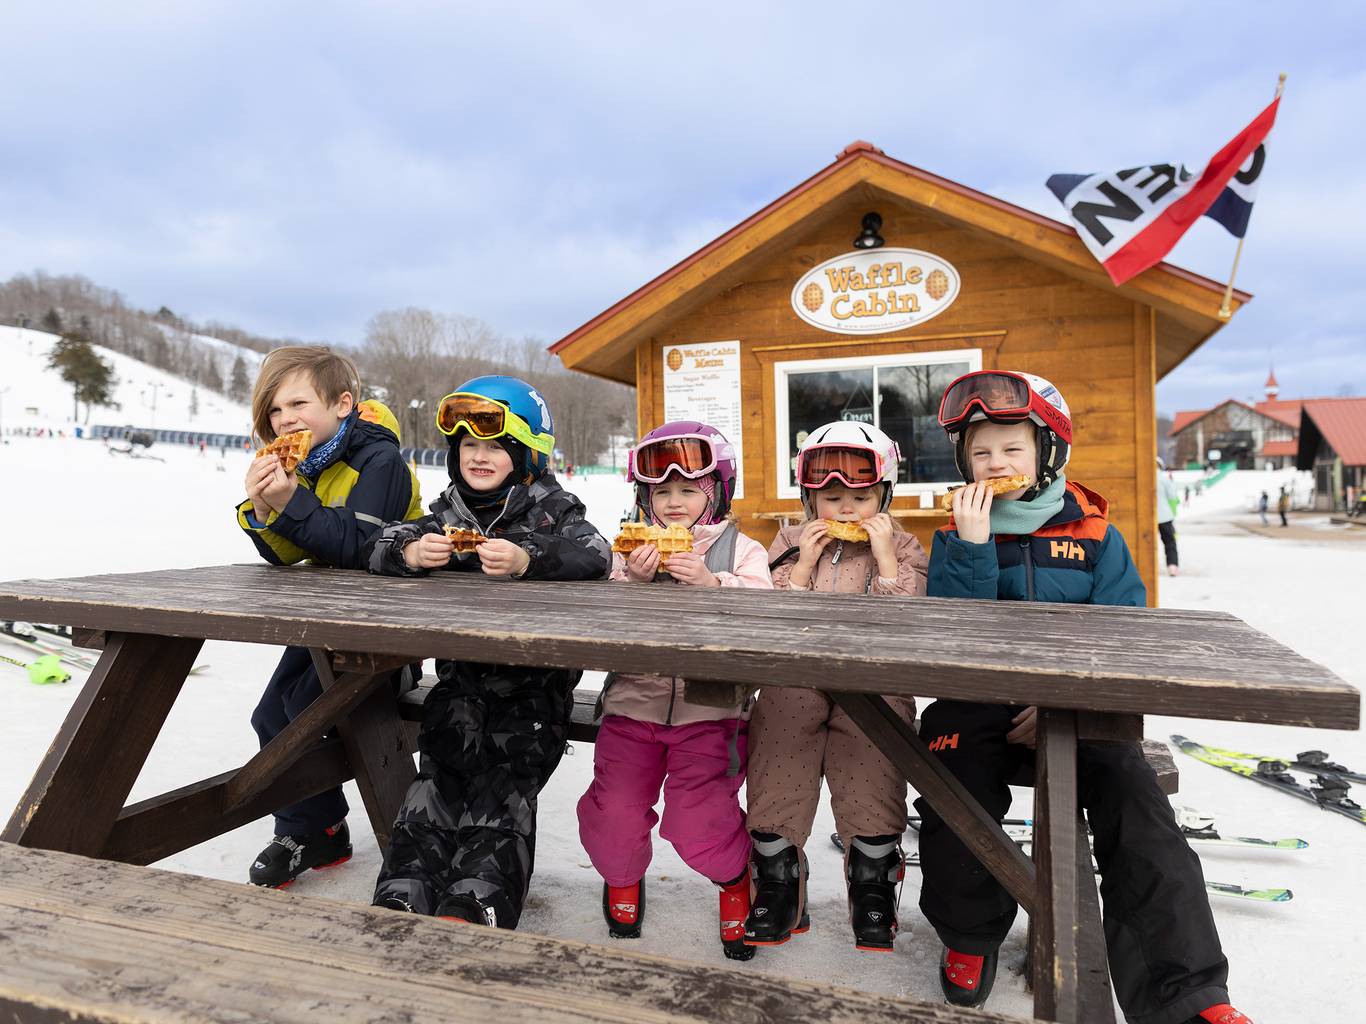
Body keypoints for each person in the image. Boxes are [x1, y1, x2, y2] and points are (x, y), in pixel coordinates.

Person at [916, 369, 1251, 1024]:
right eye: (980, 452)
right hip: (979, 698)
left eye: (1012, 449)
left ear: (1049, 453)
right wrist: (974, 548)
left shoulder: (1097, 534)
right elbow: (951, 641)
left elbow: (1125, 637)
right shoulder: (956, 533)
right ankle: (971, 936)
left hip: (1079, 703)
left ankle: (1187, 995)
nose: (995, 463)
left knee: (1135, 795)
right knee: (947, 769)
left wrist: (1069, 702)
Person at [366, 375, 611, 927]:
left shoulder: (554, 513)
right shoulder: (447, 516)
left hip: (535, 687)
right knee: (439, 775)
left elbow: (594, 554)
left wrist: (529, 558)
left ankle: (482, 893)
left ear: (526, 454)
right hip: (461, 682)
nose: (479, 456)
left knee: (503, 786)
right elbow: (374, 543)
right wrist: (408, 550)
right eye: (469, 446)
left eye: (496, 446)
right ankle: (407, 883)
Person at [576, 421, 772, 961]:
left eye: (689, 489)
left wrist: (715, 585)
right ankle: (621, 877)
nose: (674, 501)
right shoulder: (628, 550)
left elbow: (765, 615)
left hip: (713, 712)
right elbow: (597, 625)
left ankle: (735, 879)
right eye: (662, 491)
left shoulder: (741, 550)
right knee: (613, 810)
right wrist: (631, 587)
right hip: (632, 705)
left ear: (715, 492)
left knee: (698, 819)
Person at [236, 346, 422, 888]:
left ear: (343, 405)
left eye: (298, 402)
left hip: (389, 628)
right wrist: (264, 511)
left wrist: (292, 502)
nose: (285, 419)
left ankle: (388, 826)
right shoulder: (305, 461)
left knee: (307, 710)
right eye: (274, 410)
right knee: (272, 716)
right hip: (326, 621)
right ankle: (316, 829)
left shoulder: (380, 461)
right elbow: (286, 555)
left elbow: (361, 544)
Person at [742, 421, 928, 954]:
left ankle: (872, 881)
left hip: (876, 679)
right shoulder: (787, 541)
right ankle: (777, 878)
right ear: (809, 499)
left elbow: (910, 623)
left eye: (862, 497)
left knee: (874, 757)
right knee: (778, 731)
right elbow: (770, 614)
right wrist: (803, 562)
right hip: (798, 674)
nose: (847, 510)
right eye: (832, 498)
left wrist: (887, 557)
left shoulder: (906, 545)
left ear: (884, 496)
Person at [1157, 458, 1180, 576]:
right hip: (1164, 516)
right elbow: (1172, 496)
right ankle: (1172, 566)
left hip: (1147, 517)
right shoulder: (1164, 479)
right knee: (1169, 542)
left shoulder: (1143, 477)